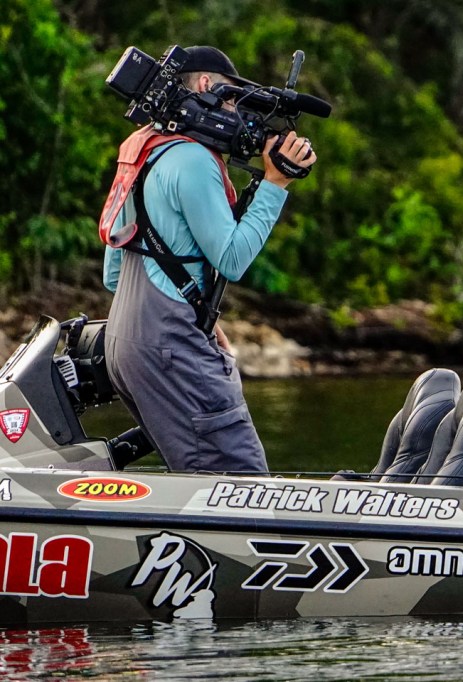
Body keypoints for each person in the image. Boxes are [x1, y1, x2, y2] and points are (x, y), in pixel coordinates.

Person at [100, 45, 316, 473]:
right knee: (240, 480)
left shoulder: (143, 150)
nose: (236, 112)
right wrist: (276, 183)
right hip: (169, 349)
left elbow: (114, 273)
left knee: (195, 478)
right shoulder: (194, 160)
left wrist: (202, 320)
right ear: (205, 85)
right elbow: (232, 259)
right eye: (233, 98)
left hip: (124, 346)